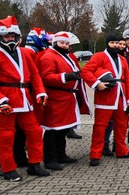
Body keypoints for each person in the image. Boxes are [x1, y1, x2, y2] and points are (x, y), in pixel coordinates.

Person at [0, 16, 50, 181]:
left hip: (25, 100)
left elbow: (34, 75)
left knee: (35, 131)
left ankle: (34, 164)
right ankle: (8, 168)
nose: (10, 39)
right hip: (7, 101)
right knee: (6, 136)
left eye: (12, 36)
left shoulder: (24, 53)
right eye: (6, 36)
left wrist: (40, 92)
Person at [37, 31, 90, 170]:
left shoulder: (63, 56)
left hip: (67, 97)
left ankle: (61, 154)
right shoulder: (49, 57)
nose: (65, 46)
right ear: (55, 43)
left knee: (63, 129)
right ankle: (49, 159)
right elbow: (46, 77)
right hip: (56, 97)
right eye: (62, 43)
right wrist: (65, 77)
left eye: (67, 43)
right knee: (53, 130)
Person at [82, 34, 129, 165]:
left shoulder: (123, 59)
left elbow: (128, 81)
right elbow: (85, 71)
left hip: (121, 97)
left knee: (122, 125)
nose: (115, 45)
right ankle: (95, 155)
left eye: (117, 43)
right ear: (107, 43)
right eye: (112, 42)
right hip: (105, 97)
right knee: (100, 127)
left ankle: (121, 150)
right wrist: (97, 84)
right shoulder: (99, 56)